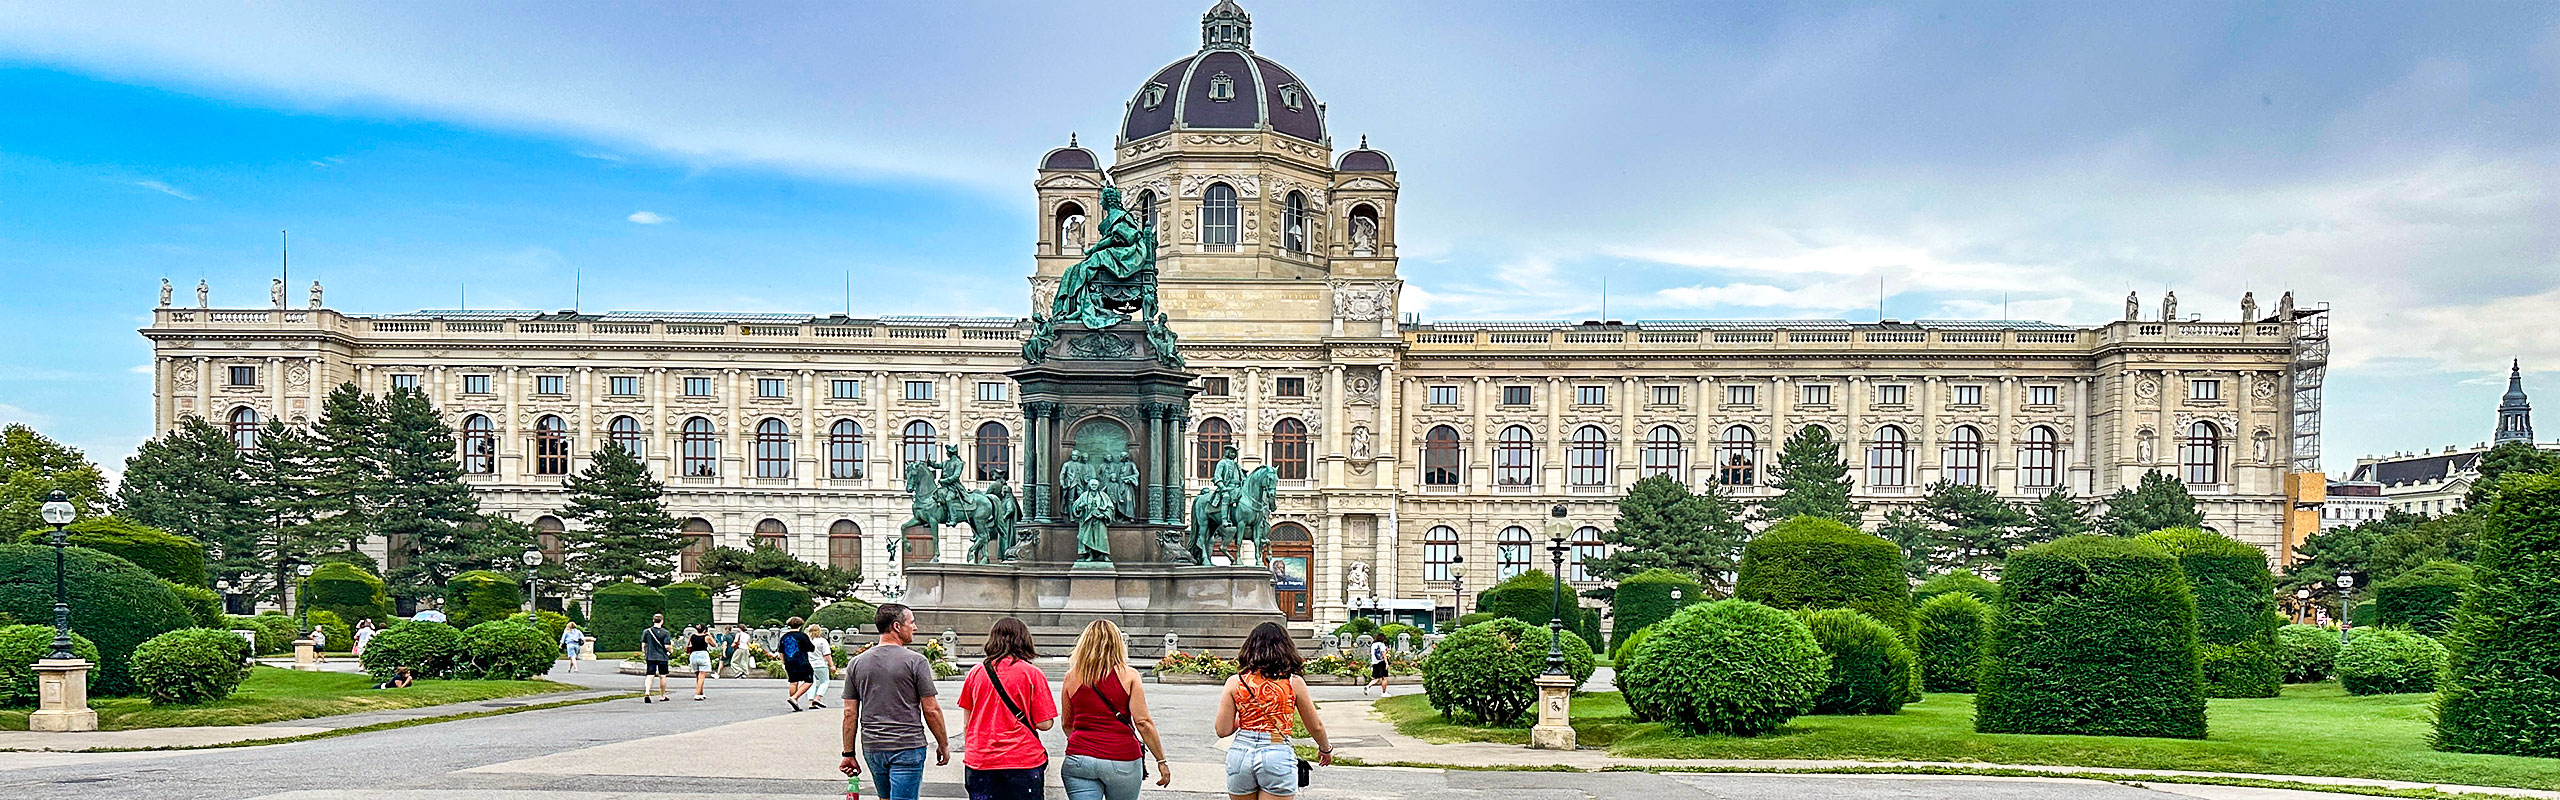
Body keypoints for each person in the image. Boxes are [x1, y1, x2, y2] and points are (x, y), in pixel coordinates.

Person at [841, 604, 951, 800]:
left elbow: (850, 712)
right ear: (897, 626)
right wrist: (943, 743)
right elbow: (931, 709)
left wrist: (848, 753)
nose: (915, 628)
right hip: (907, 745)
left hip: (873, 746)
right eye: (912, 623)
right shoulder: (916, 661)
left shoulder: (856, 663)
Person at [1217, 622, 1332, 800]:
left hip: (1241, 754)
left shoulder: (1235, 682)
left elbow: (1222, 730)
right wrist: (1325, 748)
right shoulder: (1294, 683)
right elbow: (1315, 726)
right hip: (1276, 751)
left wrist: (1249, 715)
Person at [1060, 619, 1170, 800]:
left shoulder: (1071, 676)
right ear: (1118, 644)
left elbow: (1067, 723)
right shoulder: (1129, 675)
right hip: (1122, 757)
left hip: (1079, 758)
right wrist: (1161, 761)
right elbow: (1143, 722)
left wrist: (1085, 744)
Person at [958, 618, 1055, 800]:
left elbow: (967, 723)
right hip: (1023, 760)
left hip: (981, 759)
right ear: (1024, 640)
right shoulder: (1032, 674)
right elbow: (1044, 724)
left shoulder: (975, 673)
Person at [781, 617, 818, 711]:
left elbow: (780, 651)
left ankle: (794, 701)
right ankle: (794, 698)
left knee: (793, 682)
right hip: (801, 661)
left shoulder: (784, 637)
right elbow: (811, 648)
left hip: (789, 661)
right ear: (801, 625)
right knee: (809, 680)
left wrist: (784, 662)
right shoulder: (802, 636)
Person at [639, 613, 673, 703]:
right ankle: (662, 695)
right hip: (662, 657)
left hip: (650, 656)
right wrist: (671, 651)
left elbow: (644, 645)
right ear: (662, 621)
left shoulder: (647, 631)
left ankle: (647, 692)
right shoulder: (665, 632)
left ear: (653, 620)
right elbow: (667, 646)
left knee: (650, 675)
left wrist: (645, 653)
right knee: (662, 676)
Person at [808, 625, 835, 709]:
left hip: (809, 665)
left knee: (811, 683)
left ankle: (810, 702)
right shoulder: (822, 641)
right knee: (825, 681)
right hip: (820, 664)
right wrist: (832, 665)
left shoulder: (807, 641)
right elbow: (827, 654)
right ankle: (818, 698)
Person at [687, 625, 713, 701]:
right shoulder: (706, 637)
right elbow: (714, 644)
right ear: (705, 630)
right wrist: (710, 635)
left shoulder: (692, 636)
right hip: (703, 655)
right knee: (702, 676)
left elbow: (688, 645)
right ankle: (697, 694)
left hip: (693, 655)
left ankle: (701, 692)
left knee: (697, 675)